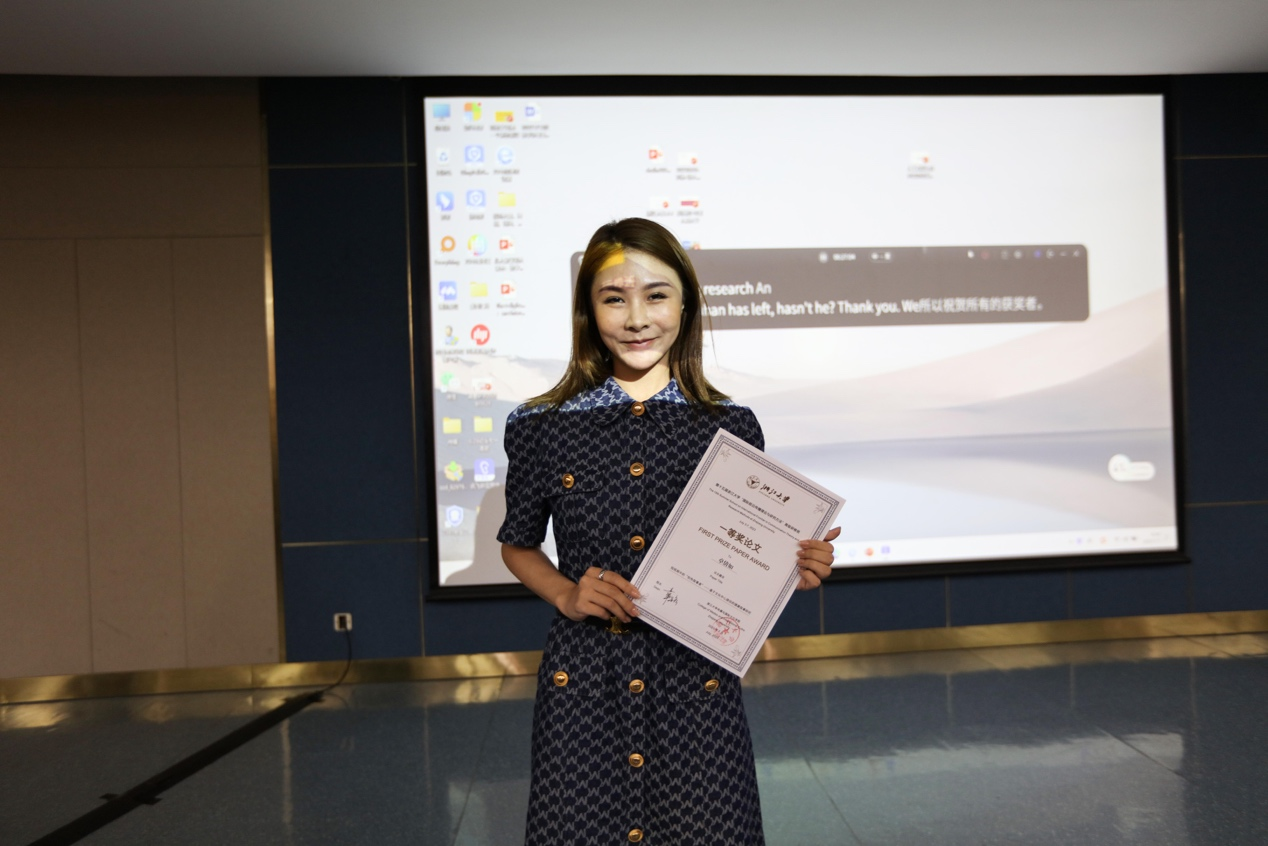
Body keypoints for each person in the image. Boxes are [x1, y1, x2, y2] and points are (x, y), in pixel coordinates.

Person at [498, 218, 839, 845]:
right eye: (614, 298)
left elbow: (743, 556)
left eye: (656, 295)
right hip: (585, 684)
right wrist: (566, 594)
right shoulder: (541, 425)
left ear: (686, 305)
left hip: (696, 684)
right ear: (588, 311)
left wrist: (793, 568)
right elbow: (517, 544)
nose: (636, 319)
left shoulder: (731, 424)